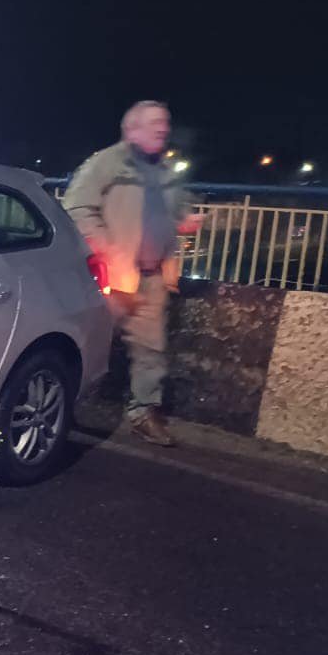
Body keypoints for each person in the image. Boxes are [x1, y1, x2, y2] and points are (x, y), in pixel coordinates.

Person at [65, 100, 203, 446]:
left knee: (151, 350)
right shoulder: (106, 162)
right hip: (109, 276)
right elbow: (77, 207)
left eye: (165, 122)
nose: (163, 128)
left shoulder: (167, 171)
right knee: (86, 341)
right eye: (155, 122)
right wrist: (107, 250)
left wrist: (185, 222)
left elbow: (175, 213)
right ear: (132, 129)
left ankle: (143, 413)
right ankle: (65, 408)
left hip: (152, 276)